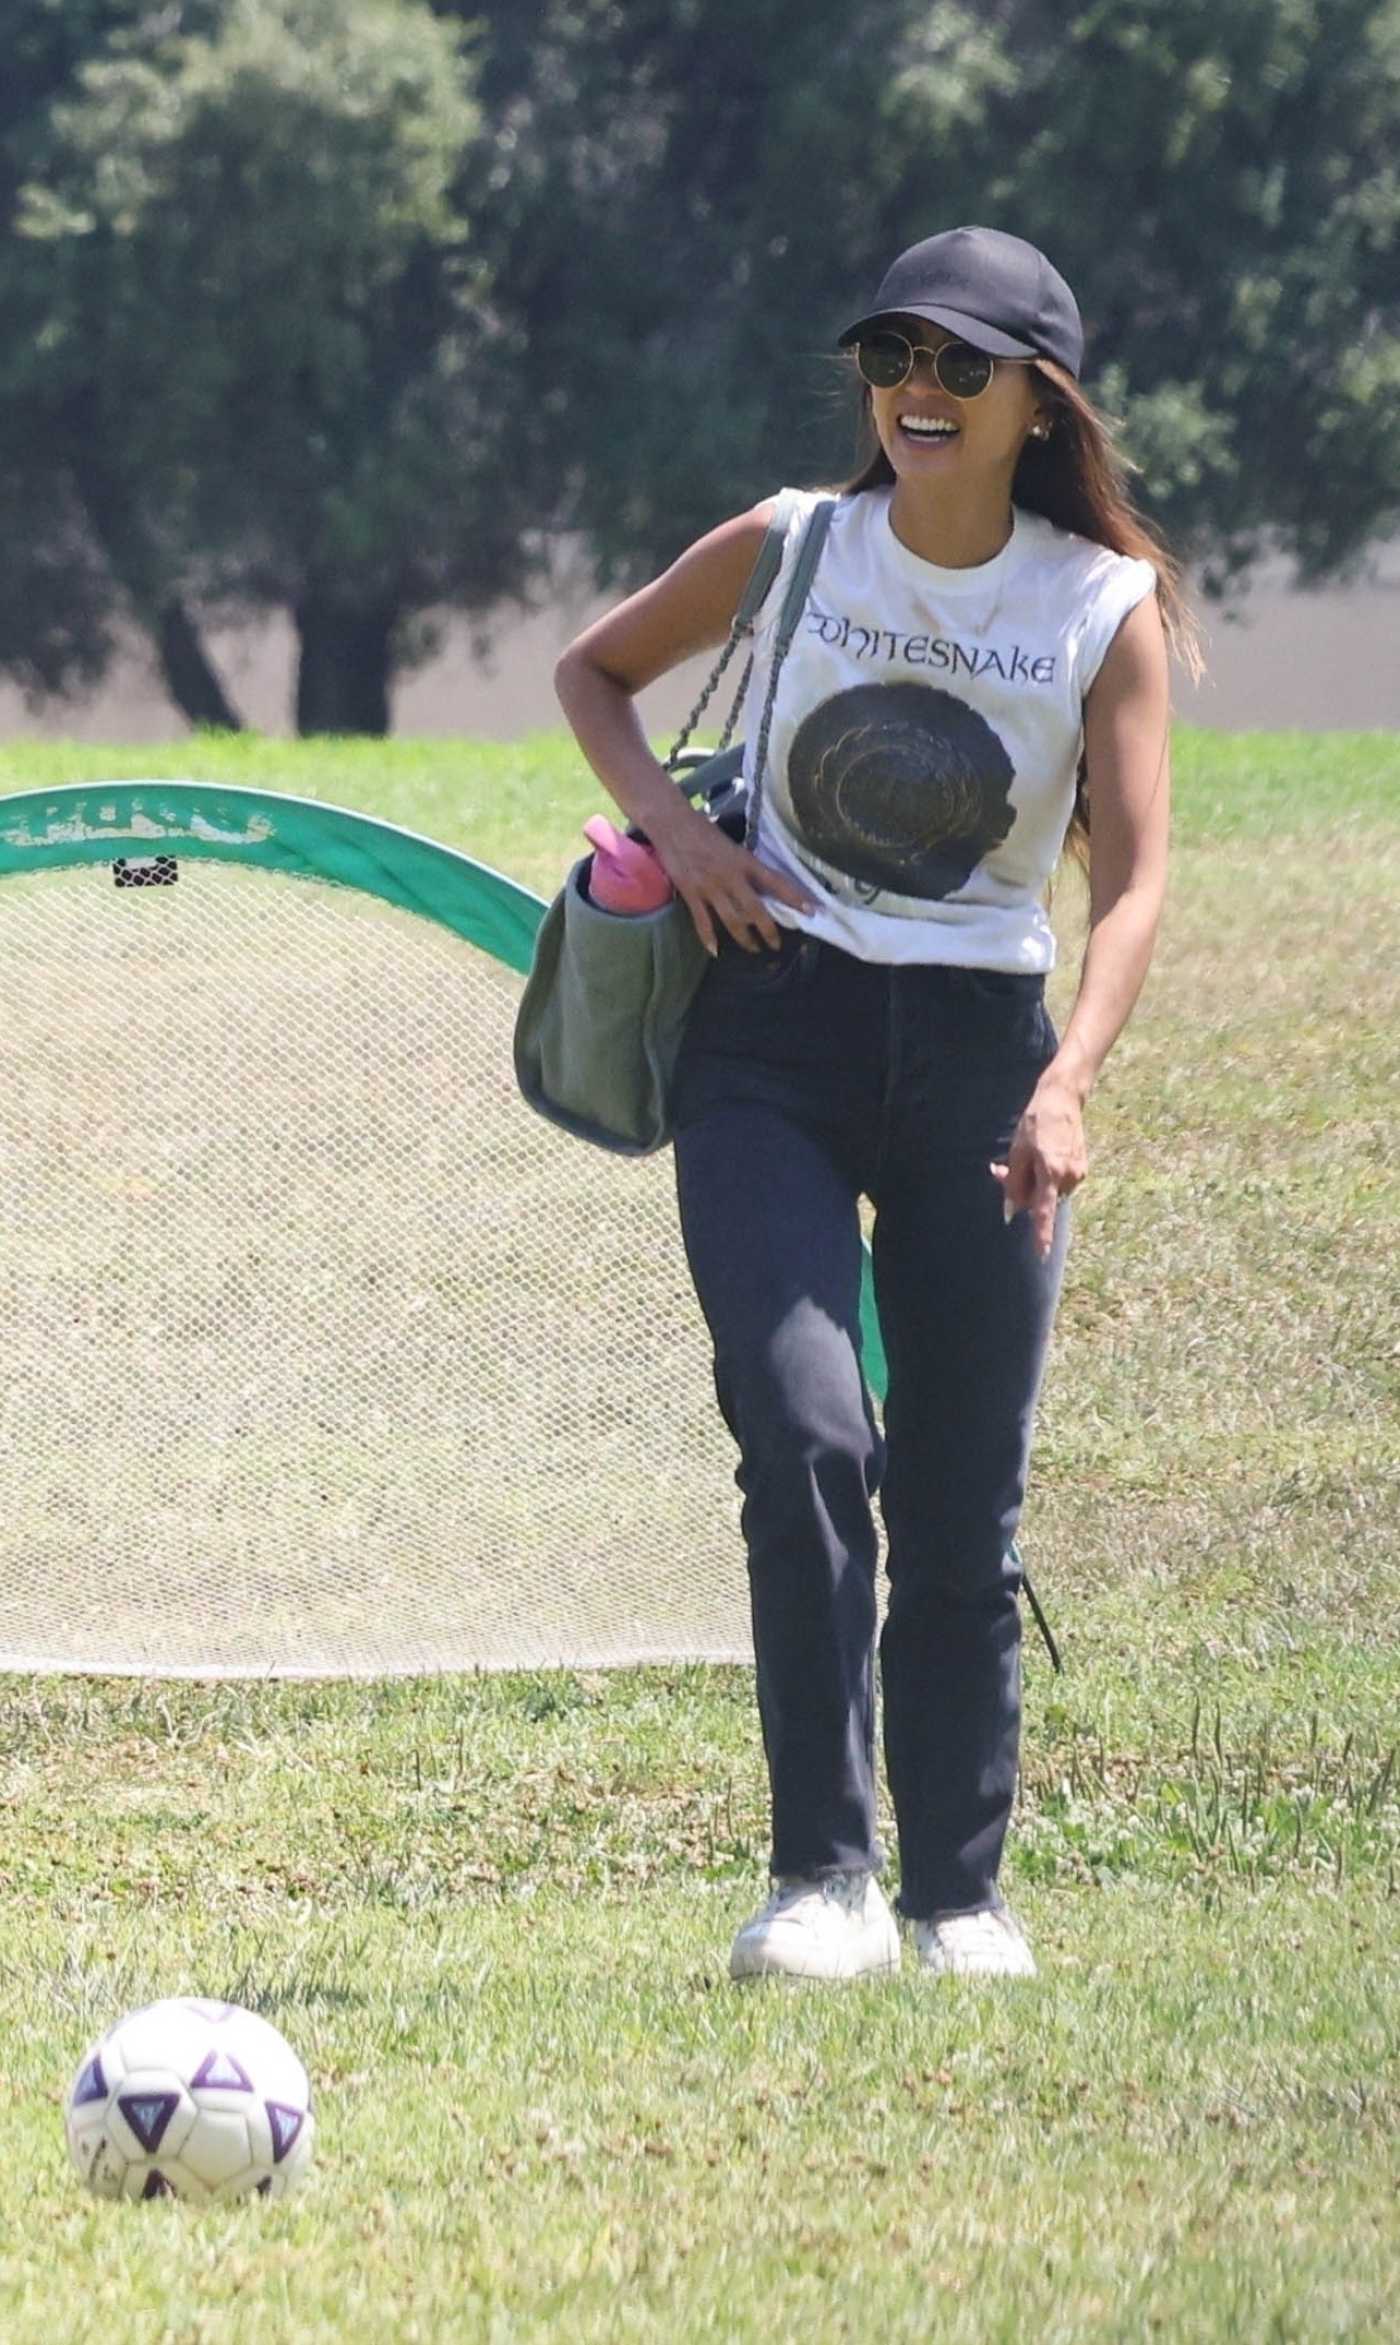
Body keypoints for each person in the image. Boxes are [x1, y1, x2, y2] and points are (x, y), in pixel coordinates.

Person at [554, 225, 1198, 1982]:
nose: (919, 389)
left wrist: (1069, 1084)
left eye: (960, 365)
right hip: (768, 1037)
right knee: (810, 1438)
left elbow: (1132, 884)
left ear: (1032, 401)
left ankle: (957, 1900)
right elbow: (591, 673)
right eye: (895, 355)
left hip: (988, 1060)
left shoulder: (1101, 607)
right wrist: (681, 836)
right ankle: (820, 1881)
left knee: (965, 1494)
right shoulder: (792, 543)